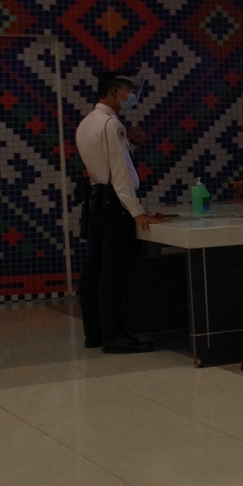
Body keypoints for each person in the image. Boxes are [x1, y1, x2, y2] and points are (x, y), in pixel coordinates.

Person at [76, 72, 163, 353]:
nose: (132, 96)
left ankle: (94, 333)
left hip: (95, 202)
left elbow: (104, 163)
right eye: (129, 90)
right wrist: (136, 211)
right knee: (113, 272)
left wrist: (131, 144)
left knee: (94, 269)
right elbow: (120, 173)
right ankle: (115, 337)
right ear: (114, 92)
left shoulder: (88, 122)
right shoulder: (111, 124)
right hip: (115, 206)